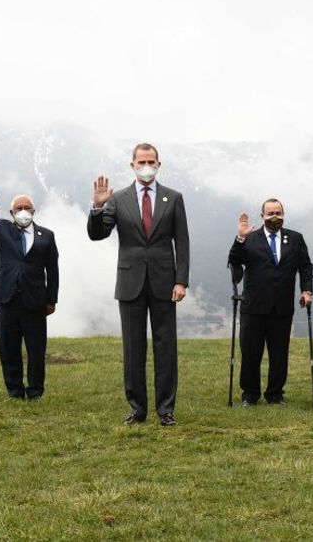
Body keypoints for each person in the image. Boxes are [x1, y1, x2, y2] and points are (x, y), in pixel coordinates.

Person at [88, 142, 190, 427]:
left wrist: (181, 280)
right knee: (133, 348)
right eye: (141, 161)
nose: (147, 166)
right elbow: (98, 234)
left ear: (159, 164)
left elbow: (182, 242)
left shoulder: (174, 197)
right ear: (132, 165)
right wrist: (97, 207)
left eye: (152, 161)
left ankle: (166, 409)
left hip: (164, 282)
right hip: (130, 281)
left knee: (165, 347)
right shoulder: (117, 199)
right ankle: (137, 409)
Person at [0, 187, 59, 400]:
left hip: (35, 300)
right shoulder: (2, 229)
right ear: (11, 213)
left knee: (36, 349)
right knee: (8, 348)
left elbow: (53, 270)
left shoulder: (46, 235)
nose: (23, 211)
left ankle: (36, 391)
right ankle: (15, 391)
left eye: (26, 208)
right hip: (7, 297)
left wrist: (51, 299)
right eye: (18, 208)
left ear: (34, 211)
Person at [227, 198, 313, 406]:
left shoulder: (295, 238)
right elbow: (234, 262)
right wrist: (240, 237)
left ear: (283, 214)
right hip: (253, 305)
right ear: (262, 216)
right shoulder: (250, 238)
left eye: (278, 213)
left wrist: (306, 290)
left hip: (282, 307)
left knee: (279, 353)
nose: (274, 217)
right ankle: (250, 394)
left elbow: (305, 266)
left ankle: (275, 394)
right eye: (270, 213)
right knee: (250, 352)